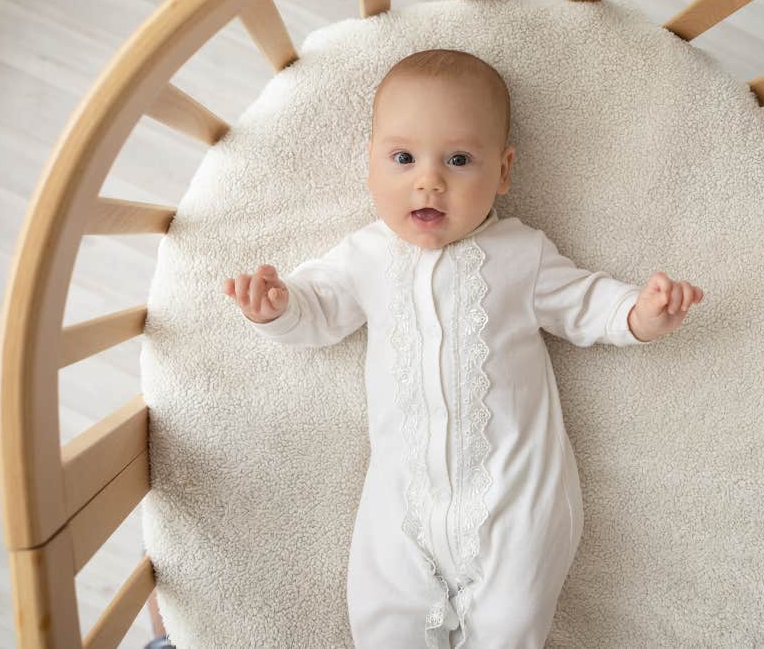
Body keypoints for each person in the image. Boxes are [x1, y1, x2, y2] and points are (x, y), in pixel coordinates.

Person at [223, 49, 703, 649]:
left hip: (516, 494)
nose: (429, 180)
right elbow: (317, 312)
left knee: (510, 622)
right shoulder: (366, 255)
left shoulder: (520, 253)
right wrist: (277, 308)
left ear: (502, 172)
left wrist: (641, 313)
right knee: (382, 620)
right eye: (402, 158)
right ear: (369, 168)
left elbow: (585, 302)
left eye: (458, 159)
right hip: (402, 499)